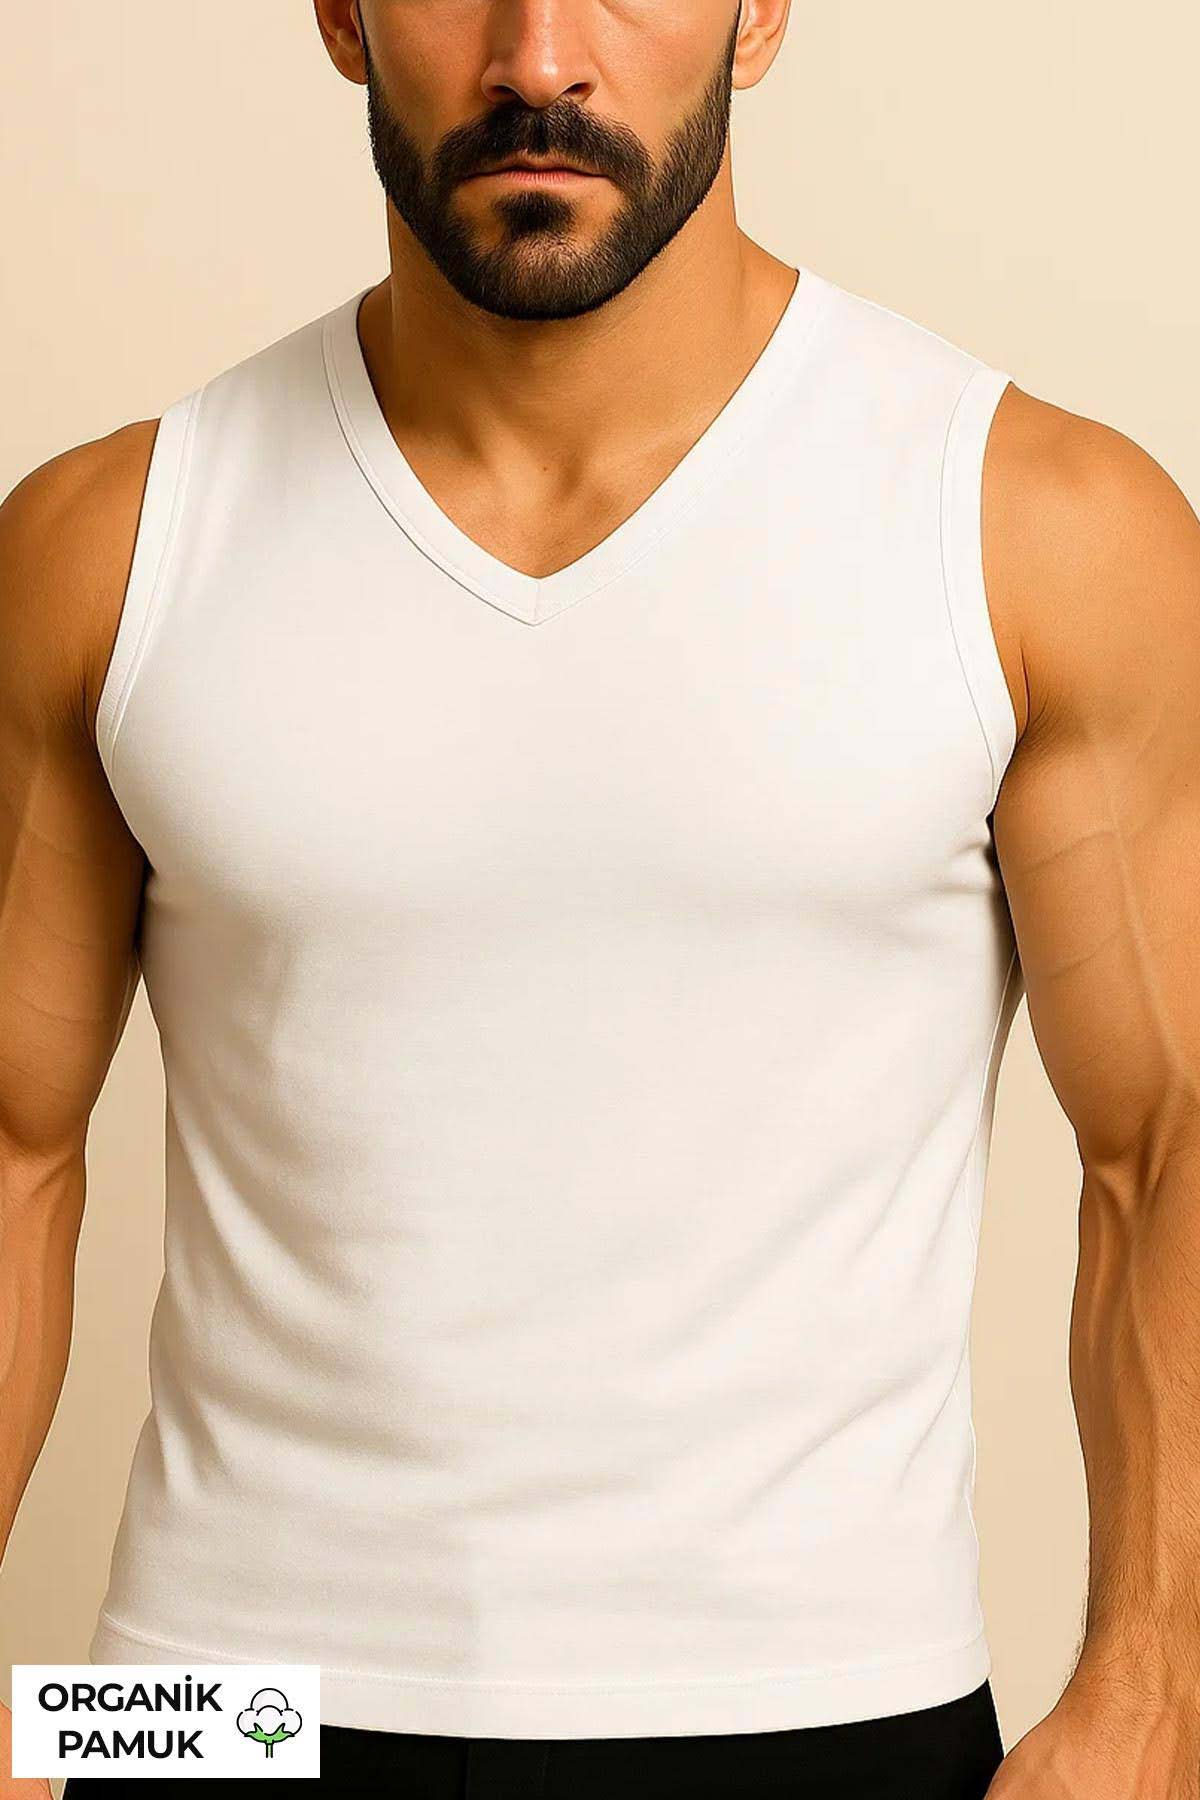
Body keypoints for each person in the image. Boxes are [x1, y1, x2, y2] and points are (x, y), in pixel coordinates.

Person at [2, 1, 1198, 1795]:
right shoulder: (113, 541)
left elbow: (1170, 1143)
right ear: (338, 17)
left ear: (760, 13)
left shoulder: (1033, 526)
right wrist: (51, 1732)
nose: (540, 57)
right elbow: (12, 1146)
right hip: (224, 1721)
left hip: (825, 1712)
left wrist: (1150, 1695)